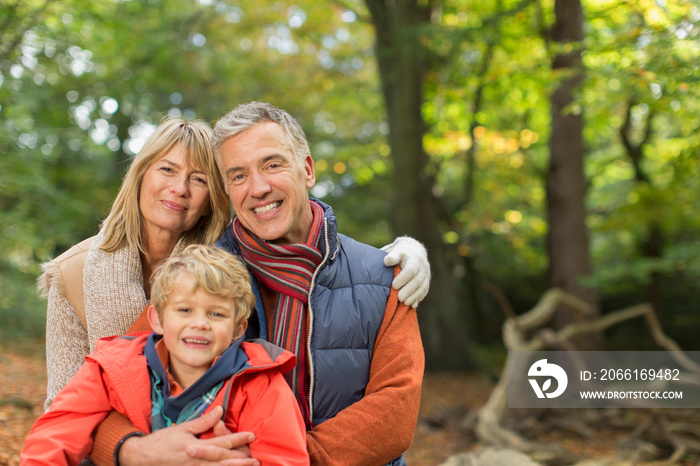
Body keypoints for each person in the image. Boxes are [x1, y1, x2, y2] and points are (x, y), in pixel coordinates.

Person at [38, 115, 429, 464]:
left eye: (272, 165)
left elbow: (395, 411)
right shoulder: (202, 273)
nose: (257, 188)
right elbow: (109, 382)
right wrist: (131, 450)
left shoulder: (382, 276)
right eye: (238, 175)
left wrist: (276, 457)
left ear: (307, 170)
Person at [23, 245, 309, 466]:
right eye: (185, 310)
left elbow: (285, 456)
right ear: (157, 319)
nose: (200, 323)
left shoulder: (259, 382)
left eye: (216, 313)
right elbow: (56, 433)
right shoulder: (113, 366)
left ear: (238, 329)